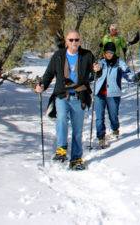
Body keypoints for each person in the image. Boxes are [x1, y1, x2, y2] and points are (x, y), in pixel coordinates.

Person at [35, 30, 96, 171]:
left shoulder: (87, 55)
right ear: (66, 41)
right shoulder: (59, 56)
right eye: (71, 40)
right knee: (61, 118)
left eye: (76, 39)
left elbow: (95, 72)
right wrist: (42, 85)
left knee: (77, 130)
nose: (74, 42)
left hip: (79, 97)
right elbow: (49, 74)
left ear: (80, 40)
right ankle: (61, 149)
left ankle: (76, 159)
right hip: (62, 95)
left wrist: (97, 70)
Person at [93, 41, 131, 148]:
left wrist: (134, 78)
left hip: (113, 94)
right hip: (99, 94)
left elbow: (127, 73)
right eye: (107, 52)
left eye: (111, 52)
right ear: (104, 53)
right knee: (99, 118)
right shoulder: (101, 62)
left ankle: (115, 129)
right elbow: (97, 68)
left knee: (113, 116)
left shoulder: (119, 63)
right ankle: (101, 137)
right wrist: (96, 69)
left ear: (114, 53)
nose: (109, 54)